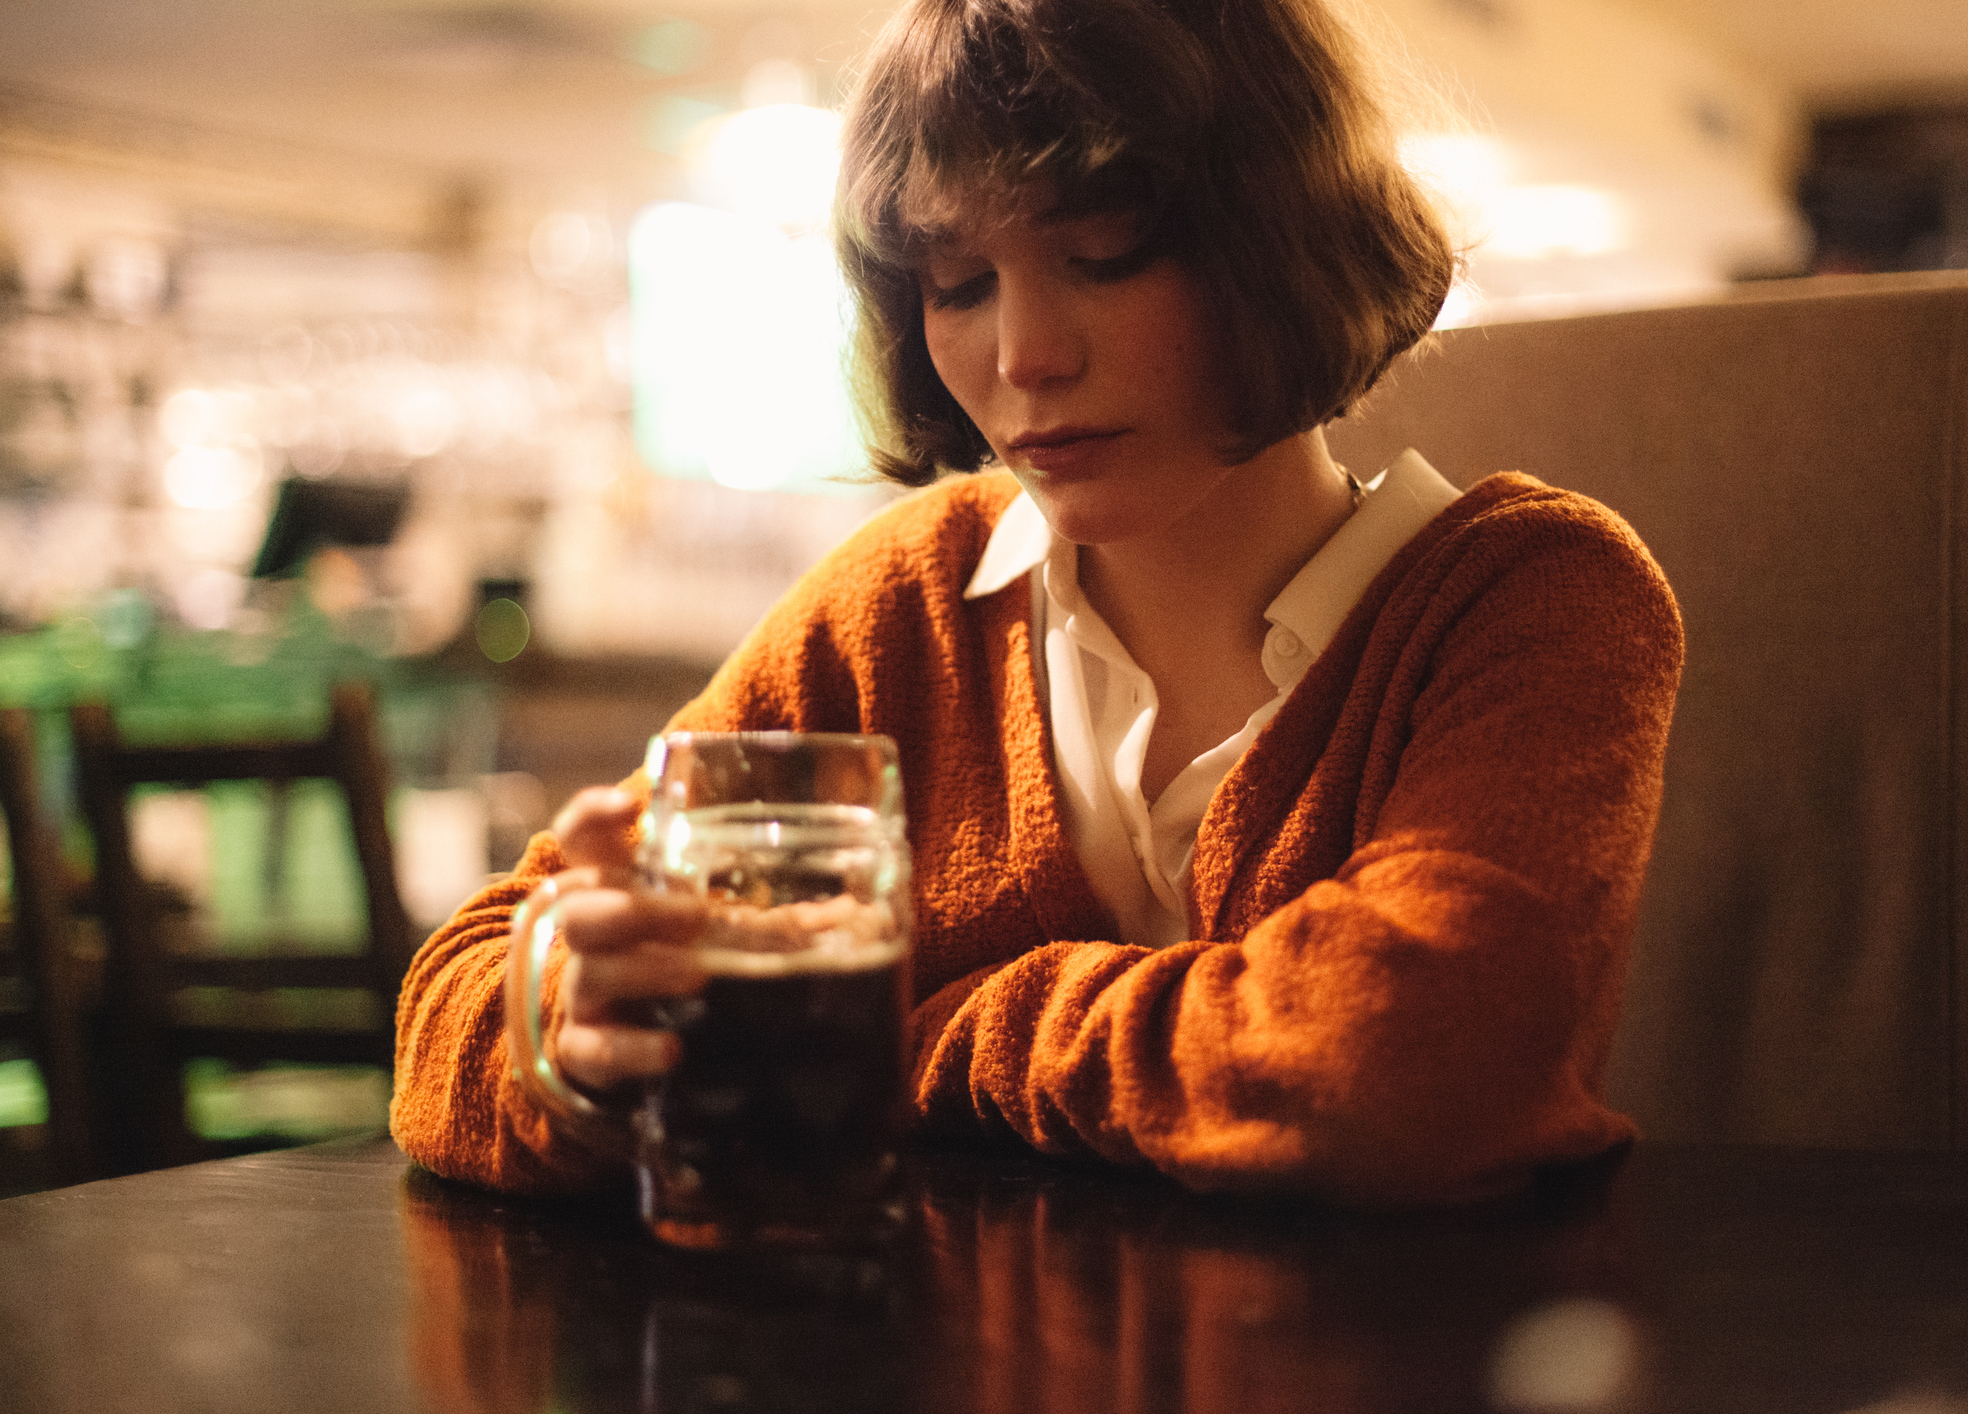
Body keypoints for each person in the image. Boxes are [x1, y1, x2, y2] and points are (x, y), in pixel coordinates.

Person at [391, 0, 1683, 1208]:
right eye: (956, 285)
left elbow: (1403, 1066)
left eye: (1103, 256)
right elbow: (449, 1007)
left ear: (1279, 243)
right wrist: (577, 1008)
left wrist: (916, 1035)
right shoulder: (901, 601)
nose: (1021, 356)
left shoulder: (1530, 596)